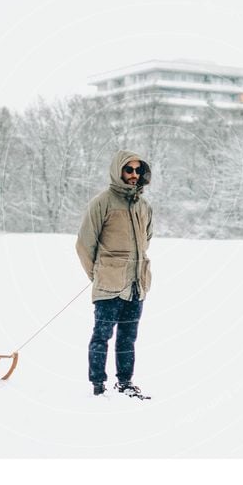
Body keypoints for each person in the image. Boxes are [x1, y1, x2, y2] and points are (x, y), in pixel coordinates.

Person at [76, 150, 153, 397]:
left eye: (138, 170)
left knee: (128, 338)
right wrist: (99, 275)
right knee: (102, 336)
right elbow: (84, 244)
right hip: (109, 285)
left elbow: (146, 240)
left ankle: (125, 382)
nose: (133, 175)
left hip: (136, 284)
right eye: (128, 170)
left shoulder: (144, 206)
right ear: (118, 171)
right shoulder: (102, 202)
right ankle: (98, 384)